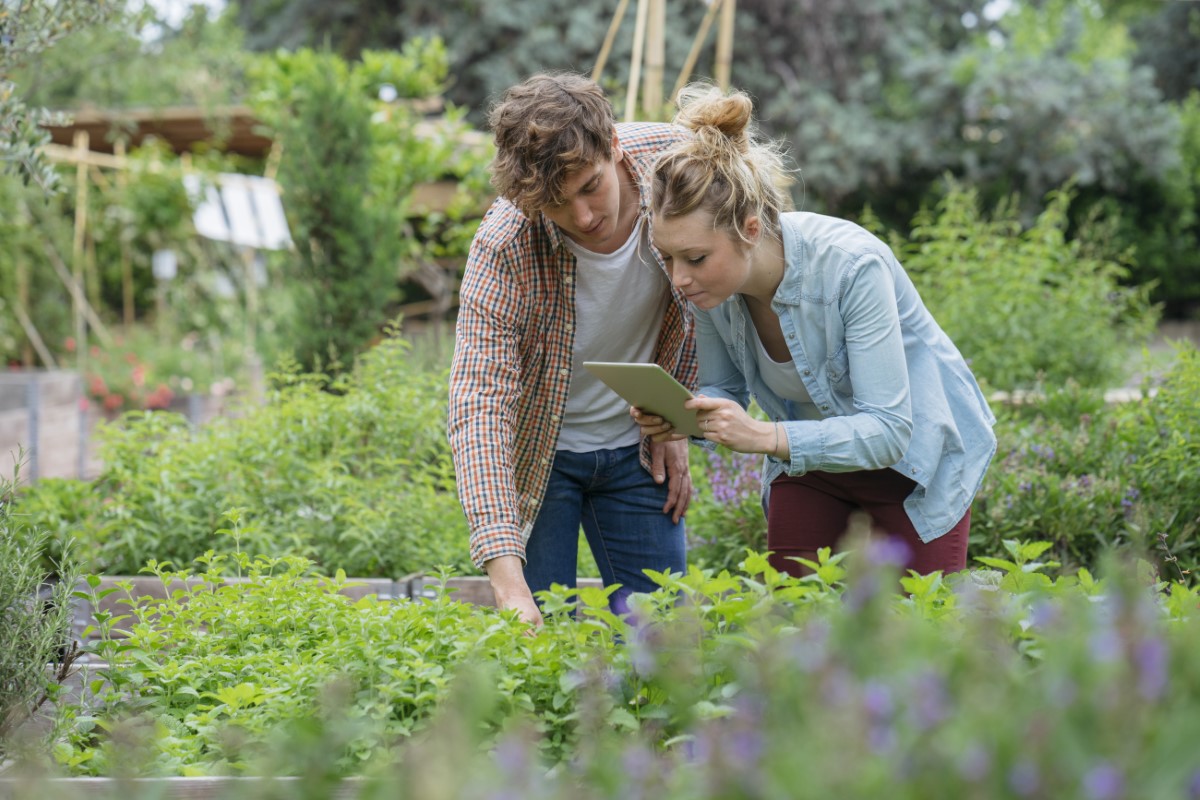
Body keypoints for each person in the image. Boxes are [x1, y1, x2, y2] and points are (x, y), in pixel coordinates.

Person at [634, 84, 997, 577]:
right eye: (669, 257)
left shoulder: (852, 266)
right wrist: (685, 416)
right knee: (794, 628)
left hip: (914, 467)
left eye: (695, 257)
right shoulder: (711, 290)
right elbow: (726, 391)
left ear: (751, 229)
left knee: (920, 635)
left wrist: (763, 435)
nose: (679, 277)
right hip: (811, 467)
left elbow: (888, 431)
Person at [447, 73, 697, 626]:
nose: (584, 217)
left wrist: (676, 416)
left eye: (590, 187)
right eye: (558, 205)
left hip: (637, 451)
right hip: (540, 456)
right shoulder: (505, 243)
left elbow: (727, 285)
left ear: (613, 145)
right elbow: (478, 404)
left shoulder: (680, 168)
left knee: (664, 640)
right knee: (542, 651)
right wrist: (508, 586)